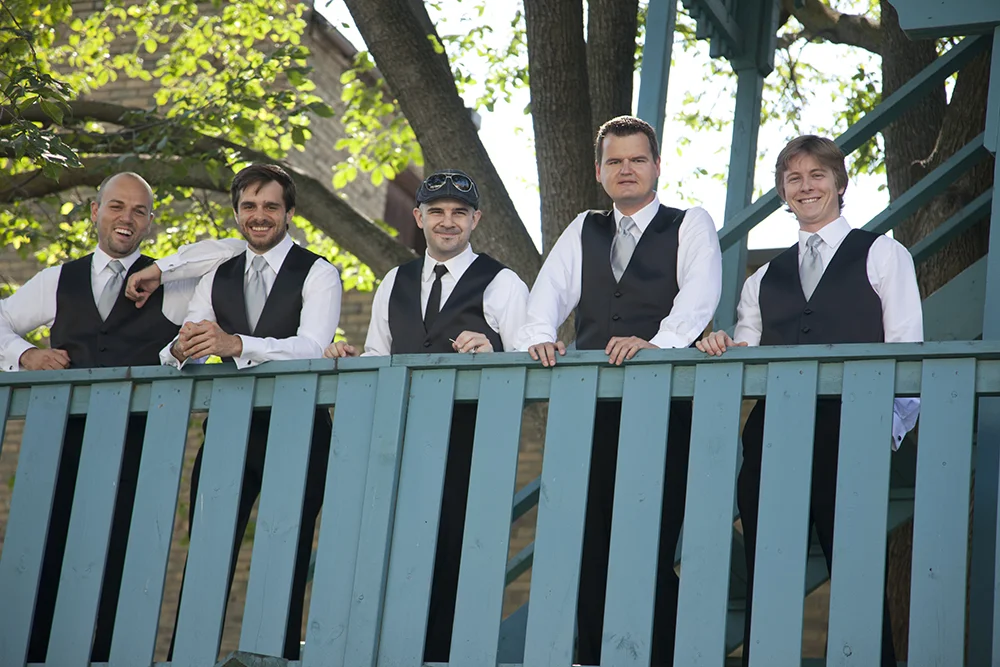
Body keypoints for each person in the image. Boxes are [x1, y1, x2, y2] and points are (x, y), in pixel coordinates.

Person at [696, 135, 921, 667]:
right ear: (782, 193)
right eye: (793, 178)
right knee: (767, 575)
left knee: (857, 576)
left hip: (853, 432)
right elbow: (747, 350)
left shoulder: (884, 254)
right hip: (773, 438)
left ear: (840, 184)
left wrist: (883, 429)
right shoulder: (762, 279)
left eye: (817, 175)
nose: (806, 186)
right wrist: (720, 344)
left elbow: (909, 352)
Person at [518, 115, 723, 666]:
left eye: (637, 159)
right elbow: (546, 298)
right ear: (599, 170)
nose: (626, 169)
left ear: (656, 166)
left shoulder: (689, 223)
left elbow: (700, 296)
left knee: (650, 545)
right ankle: (591, 660)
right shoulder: (584, 227)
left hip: (666, 405)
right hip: (589, 410)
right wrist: (539, 338)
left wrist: (663, 343)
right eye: (615, 161)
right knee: (585, 545)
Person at [325, 169, 528, 661]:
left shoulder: (502, 282)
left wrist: (496, 348)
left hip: (471, 443)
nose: (447, 222)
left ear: (475, 219)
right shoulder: (394, 280)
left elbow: (529, 360)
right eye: (436, 212)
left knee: (458, 557)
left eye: (459, 213)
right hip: (401, 441)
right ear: (418, 217)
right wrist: (348, 361)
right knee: (397, 557)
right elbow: (379, 356)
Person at [0, 172, 202, 662]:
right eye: (117, 207)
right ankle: (32, 655)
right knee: (48, 548)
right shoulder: (58, 279)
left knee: (125, 557)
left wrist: (170, 266)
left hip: (141, 442)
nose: (126, 219)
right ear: (95, 211)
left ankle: (113, 656)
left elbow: (233, 253)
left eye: (139, 211)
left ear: (152, 222)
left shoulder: (173, 283)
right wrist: (25, 355)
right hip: (63, 437)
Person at [142, 163, 341, 660]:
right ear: (236, 213)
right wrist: (181, 350)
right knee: (207, 550)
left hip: (300, 434)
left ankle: (276, 658)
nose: (259, 216)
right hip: (228, 433)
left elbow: (314, 347)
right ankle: (186, 656)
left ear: (289, 213)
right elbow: (180, 341)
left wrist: (236, 343)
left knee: (286, 553)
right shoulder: (218, 276)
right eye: (249, 206)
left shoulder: (319, 272)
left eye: (271, 206)